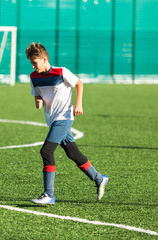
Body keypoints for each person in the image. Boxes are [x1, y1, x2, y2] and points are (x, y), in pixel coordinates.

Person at [25, 42, 108, 205]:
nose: (33, 66)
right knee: (73, 153)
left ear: (43, 59)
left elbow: (79, 83)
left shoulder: (61, 72)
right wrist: (38, 100)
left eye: (35, 62)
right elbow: (37, 93)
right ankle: (99, 179)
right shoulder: (33, 77)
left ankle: (48, 194)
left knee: (46, 151)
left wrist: (79, 104)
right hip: (52, 119)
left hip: (64, 117)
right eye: (31, 63)